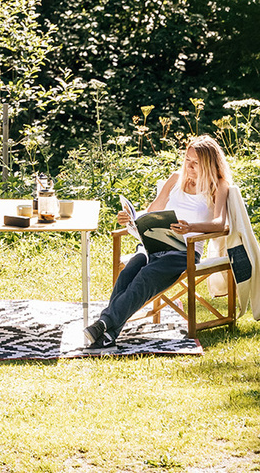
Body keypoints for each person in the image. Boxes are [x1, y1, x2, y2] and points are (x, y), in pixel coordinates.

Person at [83, 134, 232, 348]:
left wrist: (191, 227)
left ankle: (104, 325)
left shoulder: (218, 185)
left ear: (209, 163)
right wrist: (132, 218)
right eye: (187, 160)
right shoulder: (175, 179)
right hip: (154, 245)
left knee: (146, 275)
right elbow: (152, 211)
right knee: (128, 273)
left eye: (195, 163)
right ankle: (108, 331)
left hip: (184, 251)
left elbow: (220, 224)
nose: (189, 167)